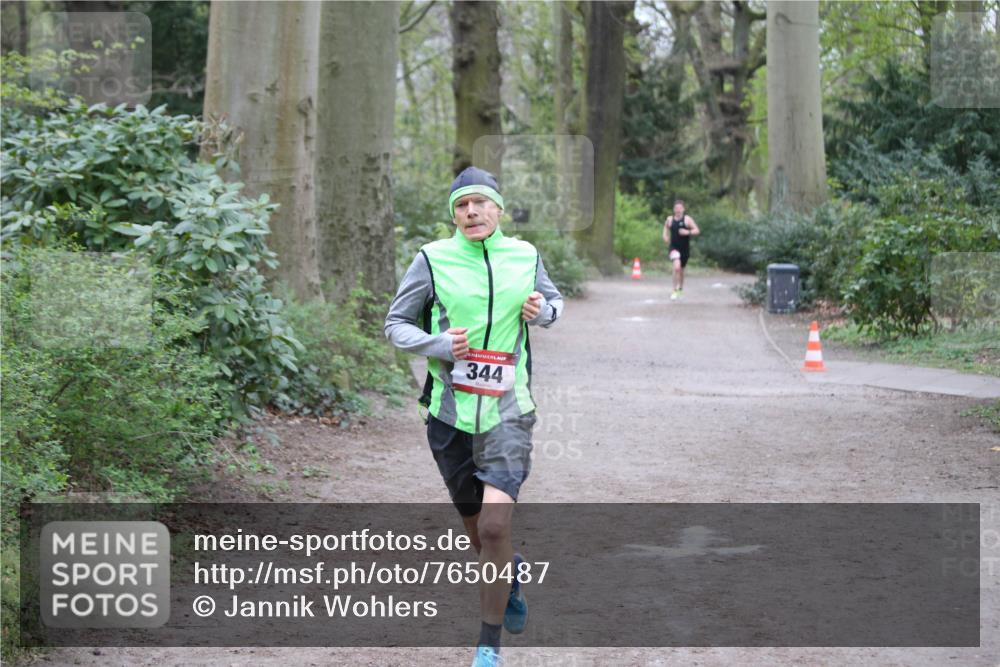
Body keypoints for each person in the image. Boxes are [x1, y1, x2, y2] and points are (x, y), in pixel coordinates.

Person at [384, 166, 564, 667]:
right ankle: (511, 575)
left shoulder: (525, 255)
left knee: (494, 528)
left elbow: (554, 304)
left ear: (498, 209)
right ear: (454, 215)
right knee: (479, 535)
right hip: (449, 416)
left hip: (509, 412)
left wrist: (543, 313)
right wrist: (437, 343)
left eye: (480, 203)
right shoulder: (431, 259)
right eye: (461, 205)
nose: (471, 212)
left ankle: (488, 647)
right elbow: (395, 325)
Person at [662, 199, 700, 300]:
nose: (678, 210)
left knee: (681, 270)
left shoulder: (687, 219)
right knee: (676, 267)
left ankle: (680, 289)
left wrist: (687, 232)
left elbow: (697, 230)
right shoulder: (670, 219)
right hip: (673, 247)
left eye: (680, 208)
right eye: (676, 208)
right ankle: (674, 290)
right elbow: (666, 228)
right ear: (673, 209)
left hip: (684, 249)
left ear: (683, 209)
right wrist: (665, 236)